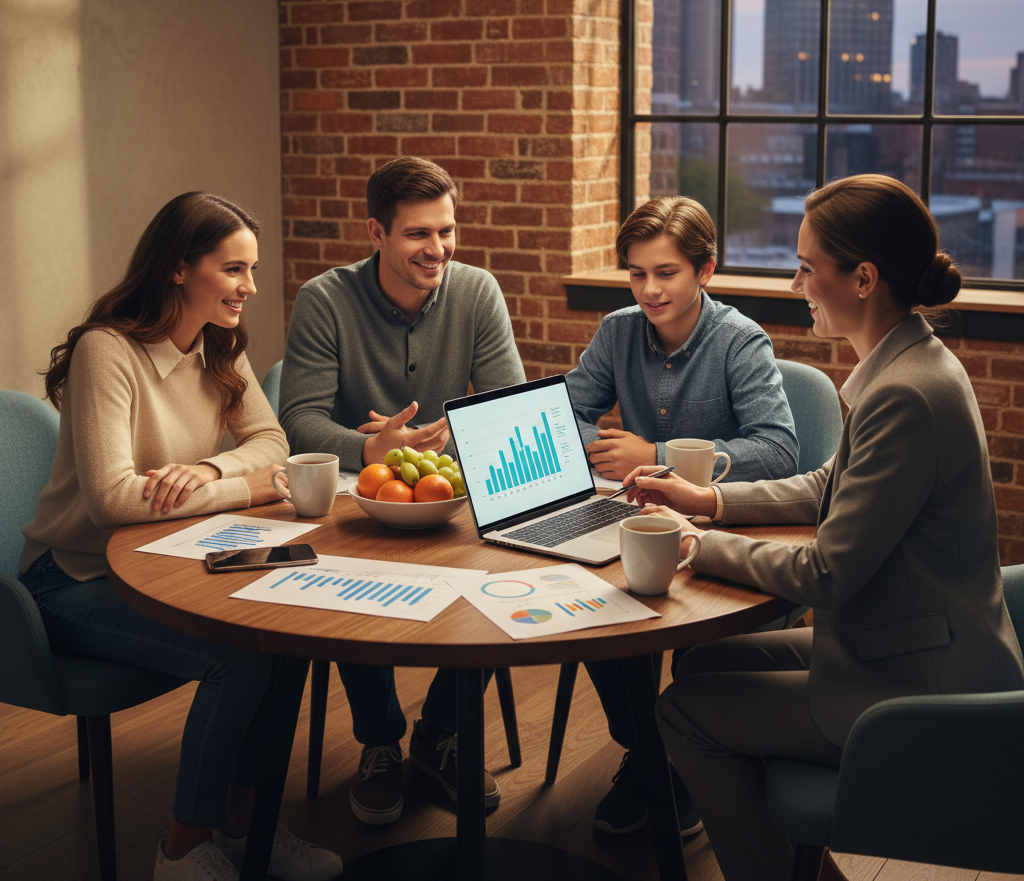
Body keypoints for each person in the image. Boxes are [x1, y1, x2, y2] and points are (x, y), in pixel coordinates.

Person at [621, 174, 1024, 881]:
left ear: (863, 279)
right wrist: (706, 499)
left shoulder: (905, 394)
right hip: (907, 639)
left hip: (919, 682)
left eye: (807, 267)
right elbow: (824, 485)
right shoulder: (908, 365)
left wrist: (695, 544)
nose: (795, 283)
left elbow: (827, 573)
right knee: (703, 664)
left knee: (683, 713)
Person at [19, 192, 343, 881]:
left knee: (279, 634)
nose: (249, 287)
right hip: (71, 579)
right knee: (240, 660)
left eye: (251, 270)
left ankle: (247, 824)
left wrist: (210, 468)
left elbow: (272, 440)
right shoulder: (105, 351)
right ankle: (181, 847)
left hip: (164, 557)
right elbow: (112, 500)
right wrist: (246, 488)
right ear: (177, 267)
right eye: (233, 269)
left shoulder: (218, 344)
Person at [279, 156, 525, 825]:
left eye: (446, 230)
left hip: (447, 492)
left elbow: (505, 408)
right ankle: (381, 741)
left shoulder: (477, 291)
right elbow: (297, 419)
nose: (437, 248)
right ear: (377, 233)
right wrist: (370, 448)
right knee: (343, 574)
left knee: (506, 565)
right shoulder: (325, 299)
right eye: (418, 233)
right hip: (355, 500)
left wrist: (459, 456)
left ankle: (440, 733)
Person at [564, 195, 799, 836]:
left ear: (705, 270)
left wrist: (654, 454)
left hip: (721, 529)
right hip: (640, 520)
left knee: (693, 637)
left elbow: (779, 449)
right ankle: (649, 752)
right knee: (591, 604)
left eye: (666, 272)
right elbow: (567, 411)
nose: (650, 290)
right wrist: (601, 447)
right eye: (637, 273)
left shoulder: (739, 339)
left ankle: (685, 759)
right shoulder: (618, 331)